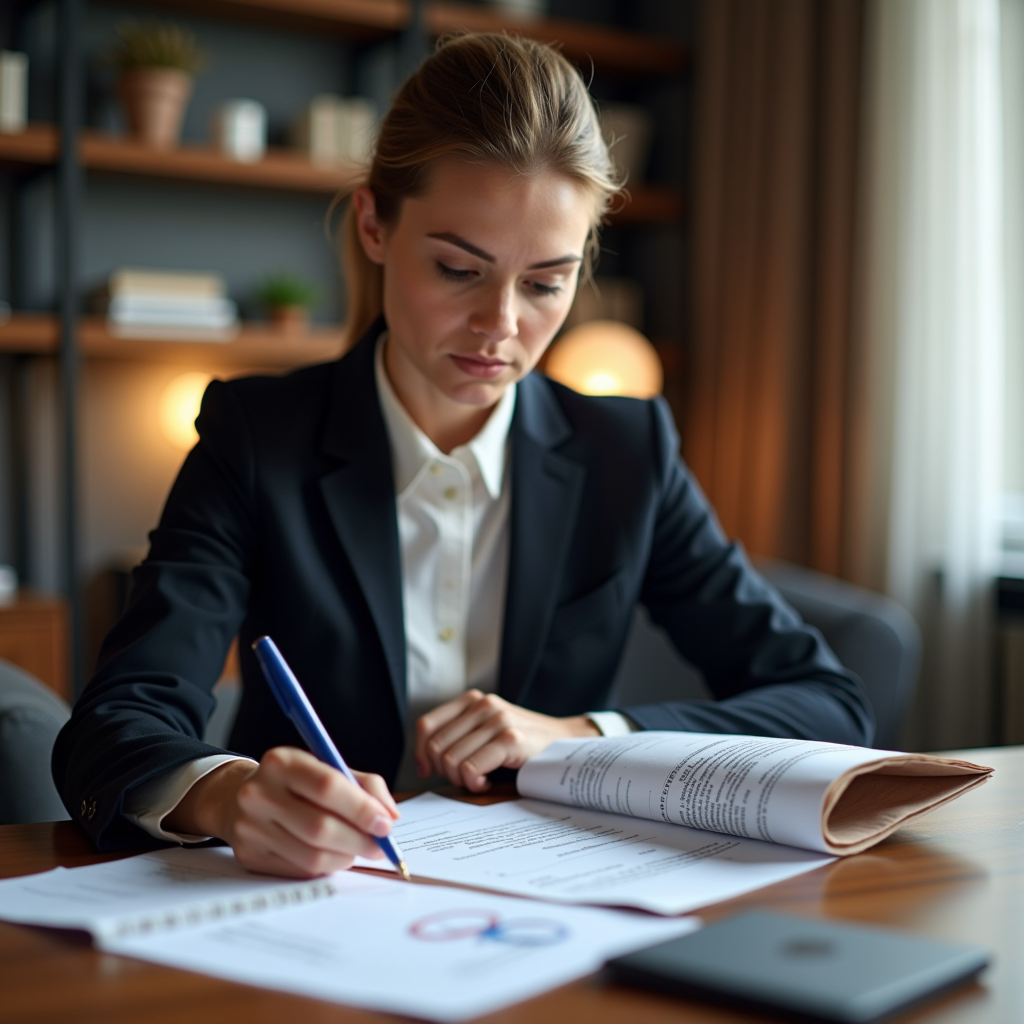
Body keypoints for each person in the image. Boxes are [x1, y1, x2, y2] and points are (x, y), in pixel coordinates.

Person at [53, 32, 873, 879]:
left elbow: (830, 703)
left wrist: (583, 736)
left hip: (553, 909)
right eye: (458, 269)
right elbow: (117, 723)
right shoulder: (258, 439)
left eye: (546, 282)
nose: (502, 326)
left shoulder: (627, 453)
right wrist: (229, 796)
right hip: (310, 910)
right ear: (374, 224)